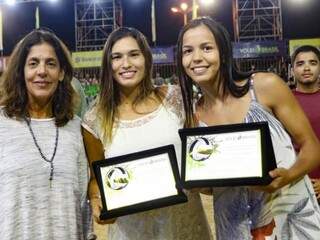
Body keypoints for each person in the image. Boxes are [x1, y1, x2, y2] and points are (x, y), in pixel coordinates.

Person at [176, 17, 320, 239]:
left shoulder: (264, 86)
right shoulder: (193, 117)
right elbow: (215, 185)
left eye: (206, 48)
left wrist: (288, 175)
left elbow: (312, 146)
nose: (196, 58)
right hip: (235, 226)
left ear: (223, 52)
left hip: (288, 217)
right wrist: (197, 184)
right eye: (187, 51)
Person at [82, 27, 211, 240]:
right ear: (108, 64)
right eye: (117, 57)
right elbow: (96, 179)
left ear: (146, 58)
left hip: (184, 227)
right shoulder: (94, 119)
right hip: (131, 231)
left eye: (134, 54)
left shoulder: (176, 99)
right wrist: (97, 200)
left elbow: (199, 156)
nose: (126, 64)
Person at [0, 29, 89, 239]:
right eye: (33, 63)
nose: (42, 71)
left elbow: (82, 199)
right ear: (20, 71)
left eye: (51, 63)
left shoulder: (76, 128)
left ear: (61, 73)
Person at [292, 45, 320, 202]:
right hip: (293, 186)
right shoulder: (283, 102)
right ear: (293, 69)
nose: (307, 68)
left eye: (313, 63)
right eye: (300, 63)